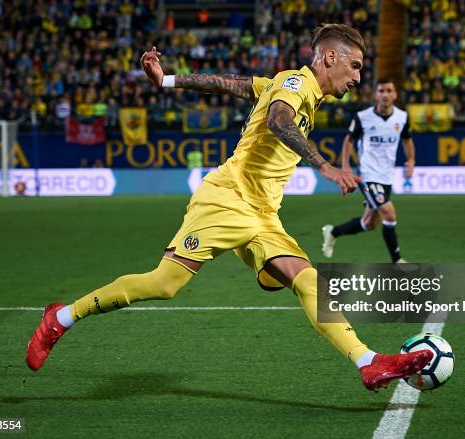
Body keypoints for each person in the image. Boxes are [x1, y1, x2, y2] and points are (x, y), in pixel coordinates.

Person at [26, 25, 431, 392]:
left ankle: (368, 362)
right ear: (330, 58)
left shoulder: (283, 83)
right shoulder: (296, 84)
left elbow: (231, 84)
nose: (359, 77)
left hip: (262, 213)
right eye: (355, 65)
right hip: (228, 198)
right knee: (165, 284)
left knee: (309, 281)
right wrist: (324, 165)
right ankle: (60, 318)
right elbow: (278, 120)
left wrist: (167, 79)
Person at [322, 78, 415, 263]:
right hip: (368, 176)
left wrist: (411, 160)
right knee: (389, 213)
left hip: (387, 177)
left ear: (395, 95)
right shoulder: (363, 118)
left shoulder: (402, 117)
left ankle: (332, 232)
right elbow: (348, 140)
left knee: (369, 223)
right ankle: (397, 261)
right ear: (376, 95)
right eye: (381, 91)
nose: (385, 95)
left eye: (389, 91)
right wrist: (346, 167)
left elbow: (407, 139)